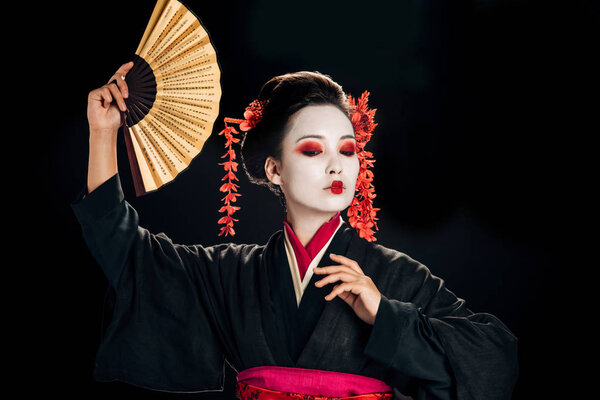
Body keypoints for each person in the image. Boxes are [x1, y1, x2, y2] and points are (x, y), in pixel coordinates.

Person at [72, 62, 519, 400]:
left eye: (347, 150)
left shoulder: (394, 278)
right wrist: (102, 133)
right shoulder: (232, 276)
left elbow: (495, 360)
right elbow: (128, 255)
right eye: (311, 150)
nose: (335, 165)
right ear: (274, 168)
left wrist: (385, 313)